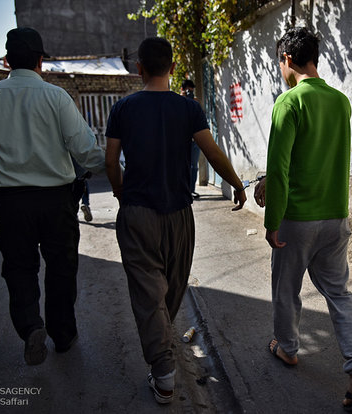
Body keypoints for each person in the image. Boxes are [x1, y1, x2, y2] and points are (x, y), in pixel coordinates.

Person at [104, 37, 246, 404]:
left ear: (140, 69)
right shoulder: (189, 109)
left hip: (138, 215)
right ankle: (164, 364)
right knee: (170, 286)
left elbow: (110, 163)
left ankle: (162, 367)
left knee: (149, 294)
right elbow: (211, 152)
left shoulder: (122, 109)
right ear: (172, 68)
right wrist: (236, 185)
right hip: (180, 216)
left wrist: (121, 195)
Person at [0, 27, 106, 365]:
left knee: (19, 268)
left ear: (7, 60)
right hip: (57, 202)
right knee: (61, 268)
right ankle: (63, 334)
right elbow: (86, 152)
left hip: (10, 204)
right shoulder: (56, 98)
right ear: (41, 60)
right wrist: (118, 174)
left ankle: (30, 327)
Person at [254, 27, 352, 411]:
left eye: (280, 63)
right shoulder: (340, 102)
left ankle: (287, 348)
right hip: (335, 217)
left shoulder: (289, 103)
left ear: (287, 60)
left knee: (287, 288)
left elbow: (280, 167)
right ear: (314, 58)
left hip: (297, 219)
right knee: (339, 293)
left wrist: (271, 220)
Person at [180, 79, 201, 199]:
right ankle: (184, 190)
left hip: (195, 140)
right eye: (188, 91)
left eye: (191, 92)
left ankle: (191, 190)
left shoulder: (195, 104)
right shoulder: (177, 102)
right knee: (184, 166)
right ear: (183, 90)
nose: (190, 94)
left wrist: (195, 104)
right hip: (182, 140)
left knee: (194, 166)